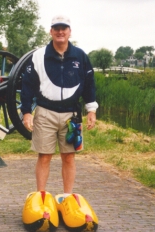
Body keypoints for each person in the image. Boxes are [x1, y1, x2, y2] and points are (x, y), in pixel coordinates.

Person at [20, 15, 98, 198]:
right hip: (45, 113)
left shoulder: (81, 56)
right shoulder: (38, 56)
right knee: (44, 156)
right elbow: (27, 86)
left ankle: (67, 197)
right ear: (51, 31)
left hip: (72, 115)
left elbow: (89, 84)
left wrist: (91, 109)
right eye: (56, 28)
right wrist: (26, 112)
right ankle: (41, 196)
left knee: (69, 157)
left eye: (64, 28)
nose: (60, 31)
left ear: (70, 32)